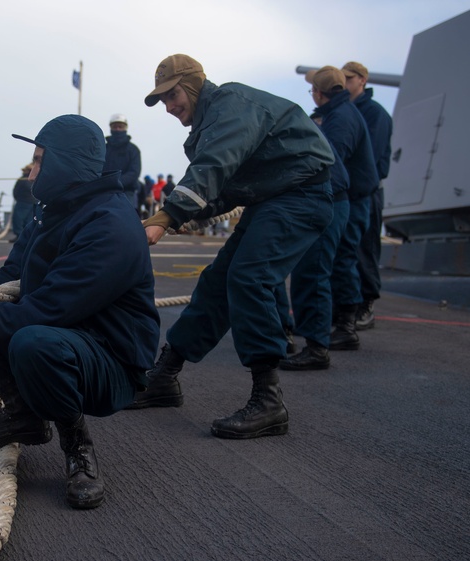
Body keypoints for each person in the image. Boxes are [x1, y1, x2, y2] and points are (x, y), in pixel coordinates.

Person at [0, 114, 160, 509]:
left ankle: (76, 443)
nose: (31, 174)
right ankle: (23, 414)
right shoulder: (52, 210)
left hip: (111, 360)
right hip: (65, 333)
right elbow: (11, 274)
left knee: (28, 340)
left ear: (65, 164)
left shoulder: (109, 225)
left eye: (40, 160)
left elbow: (49, 309)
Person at [133, 54, 334, 439]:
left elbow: (213, 167)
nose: (170, 106)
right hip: (271, 198)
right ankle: (164, 376)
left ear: (193, 85)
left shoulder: (231, 107)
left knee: (249, 278)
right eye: (162, 100)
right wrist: (176, 216)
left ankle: (269, 401)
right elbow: (224, 188)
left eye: (173, 94)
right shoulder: (212, 124)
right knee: (216, 282)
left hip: (302, 194)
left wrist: (168, 216)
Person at [280, 66, 376, 369]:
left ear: (319, 93)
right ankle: (326, 330)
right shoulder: (341, 114)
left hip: (339, 199)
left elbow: (329, 163)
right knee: (327, 266)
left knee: (321, 268)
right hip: (343, 198)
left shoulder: (341, 119)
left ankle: (325, 340)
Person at [342, 61, 393, 331]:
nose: (345, 82)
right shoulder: (346, 111)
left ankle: (367, 304)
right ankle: (345, 308)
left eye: (350, 78)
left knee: (365, 249)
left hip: (366, 192)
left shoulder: (375, 114)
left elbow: (368, 160)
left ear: (363, 80)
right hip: (345, 192)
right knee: (346, 252)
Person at [103, 113, 142, 213]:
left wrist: (116, 182)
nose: (117, 129)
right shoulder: (103, 149)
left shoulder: (133, 150)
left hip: (127, 192)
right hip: (104, 191)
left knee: (127, 217)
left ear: (125, 128)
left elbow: (134, 172)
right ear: (111, 128)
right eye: (115, 126)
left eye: (120, 126)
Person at [10, 163, 36, 238]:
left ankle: (20, 235)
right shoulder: (31, 179)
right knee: (29, 220)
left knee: (18, 219)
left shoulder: (24, 180)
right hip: (32, 202)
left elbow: (16, 190)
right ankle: (24, 236)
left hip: (24, 202)